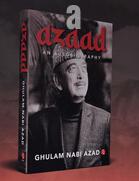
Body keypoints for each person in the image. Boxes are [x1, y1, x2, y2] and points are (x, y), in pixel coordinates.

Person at [28, 44, 110, 172]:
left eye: (84, 69)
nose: (81, 76)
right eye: (72, 69)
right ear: (58, 81)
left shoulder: (104, 120)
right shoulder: (37, 125)